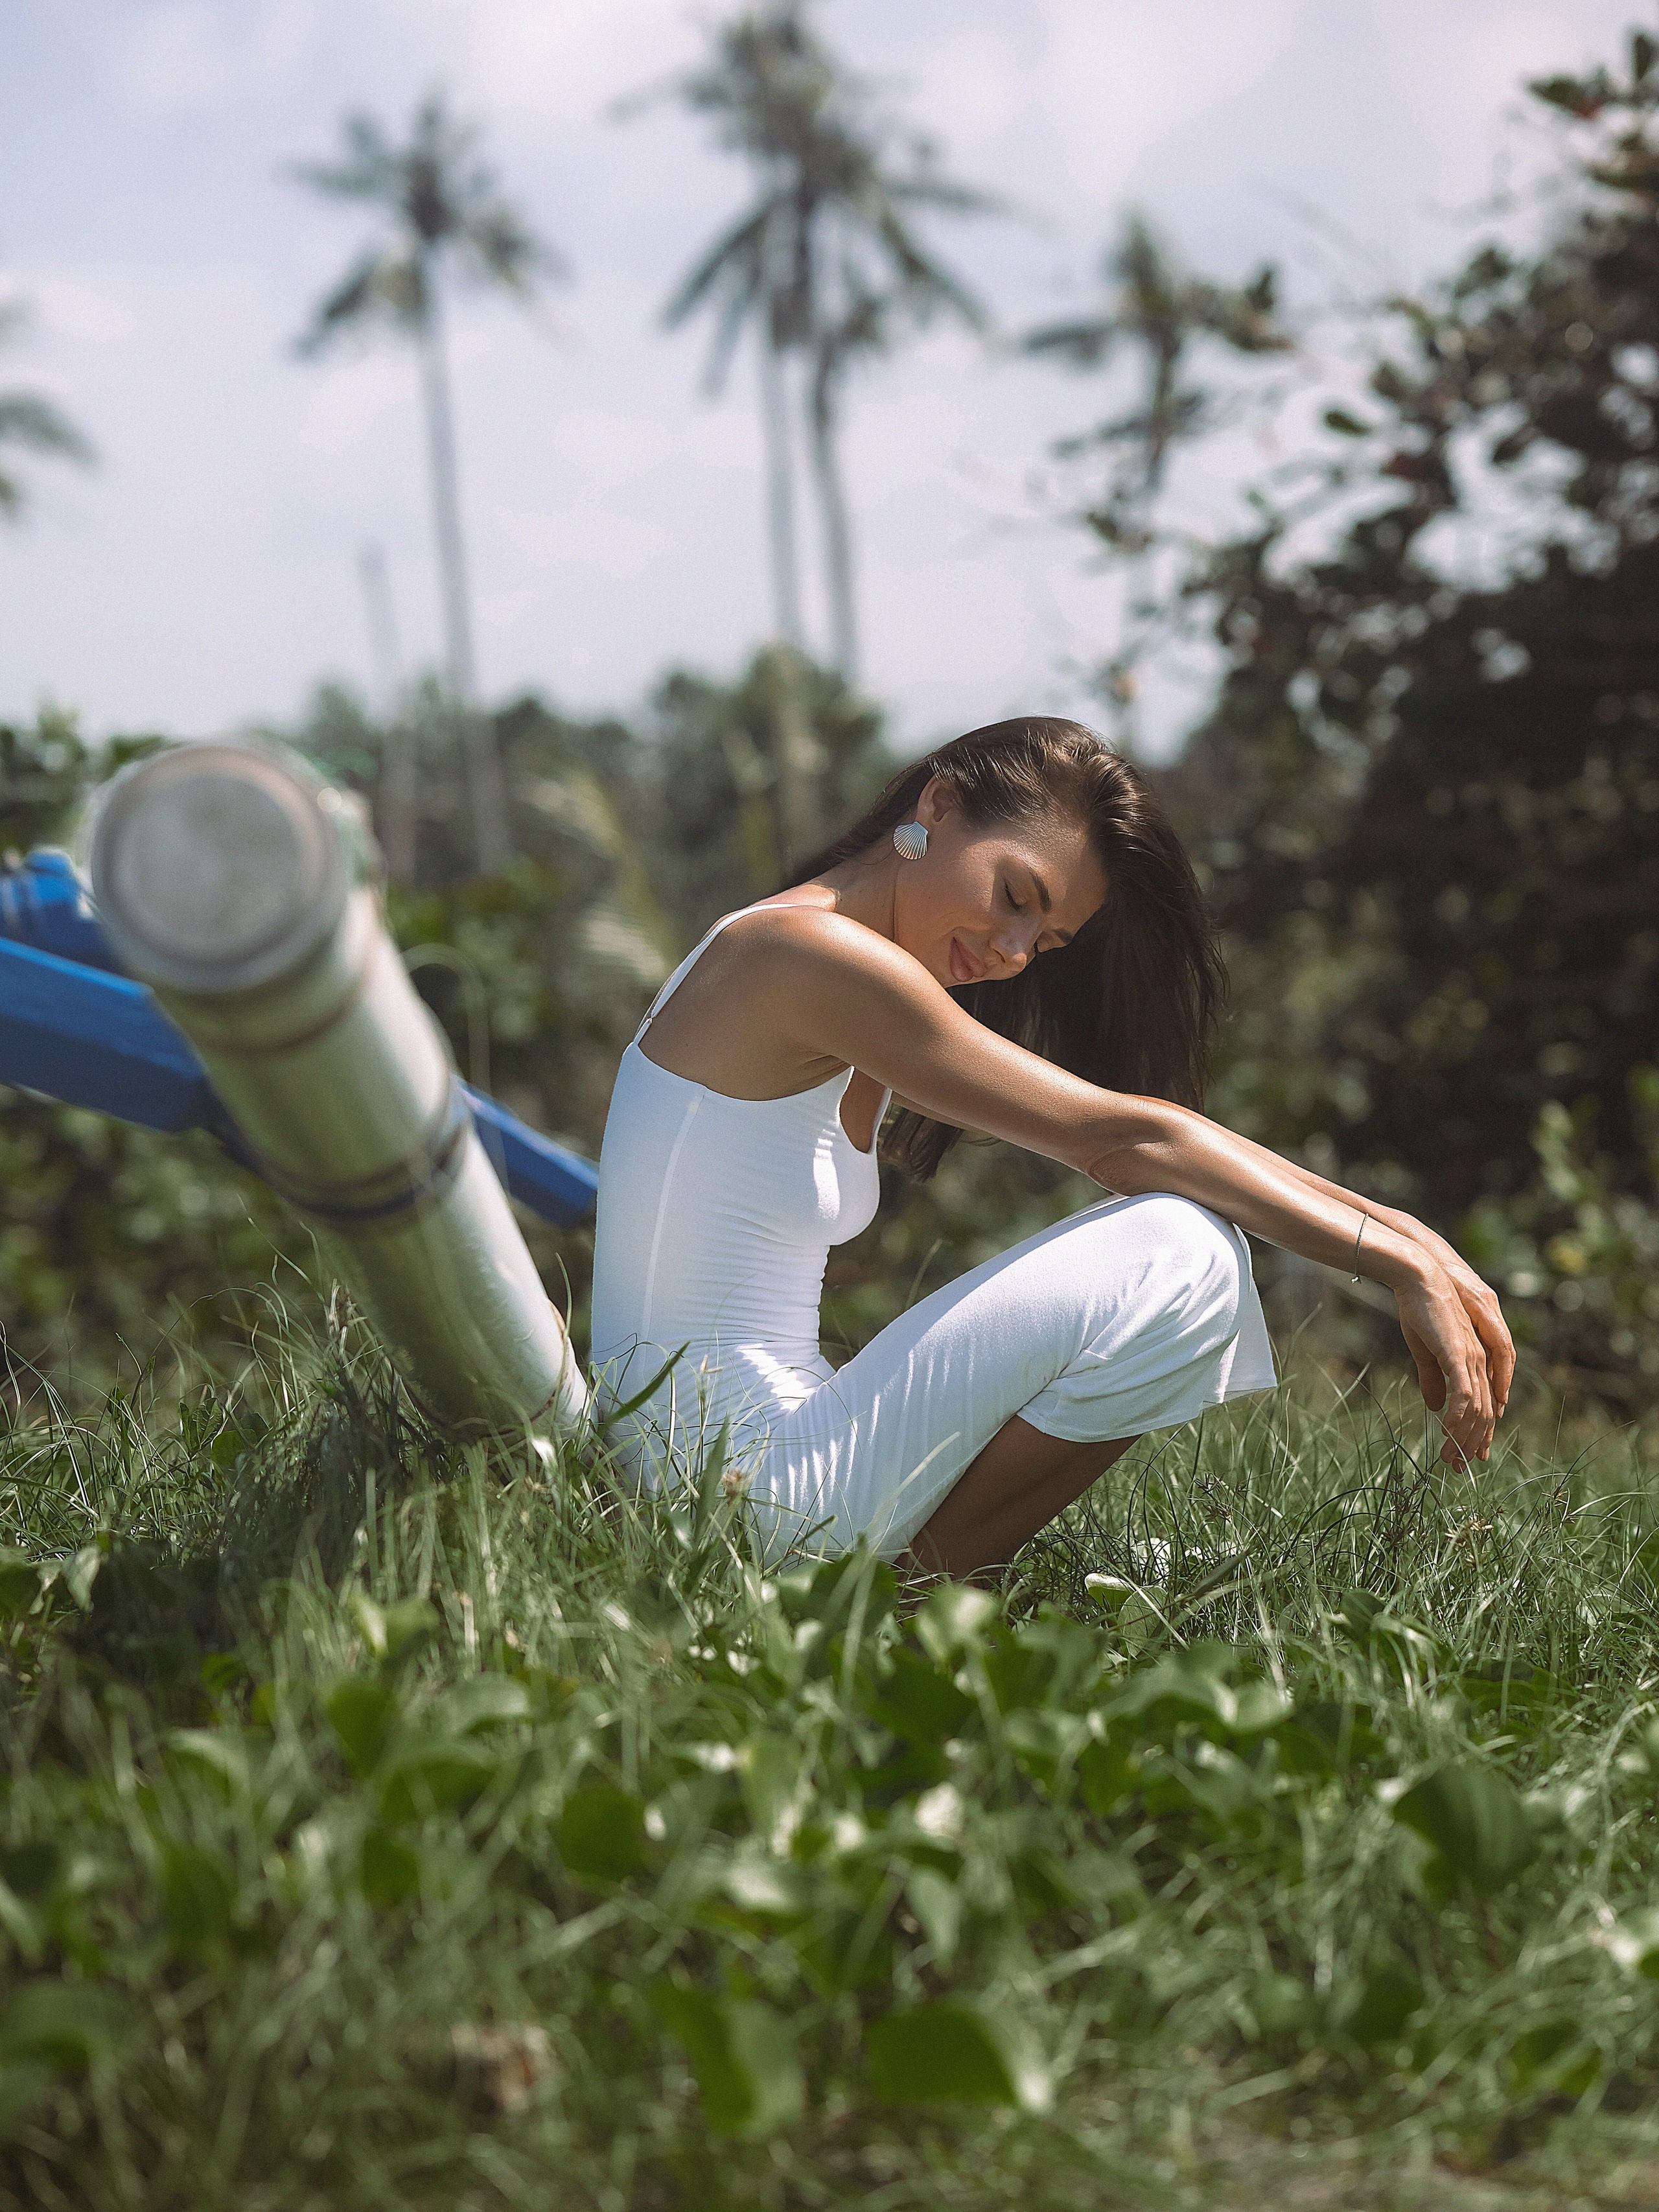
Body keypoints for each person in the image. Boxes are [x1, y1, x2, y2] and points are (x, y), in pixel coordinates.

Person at [589, 717, 1514, 1581]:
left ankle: (898, 1592)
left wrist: (1406, 1239)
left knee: (1183, 1276)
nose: (1017, 949)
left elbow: (1138, 1130)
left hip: (735, 1475)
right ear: (938, 806)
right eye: (1016, 896)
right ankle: (900, 1604)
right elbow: (1122, 1137)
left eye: (1050, 935)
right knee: (1183, 1255)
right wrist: (1398, 1253)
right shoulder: (807, 955)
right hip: (731, 1491)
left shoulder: (824, 964)